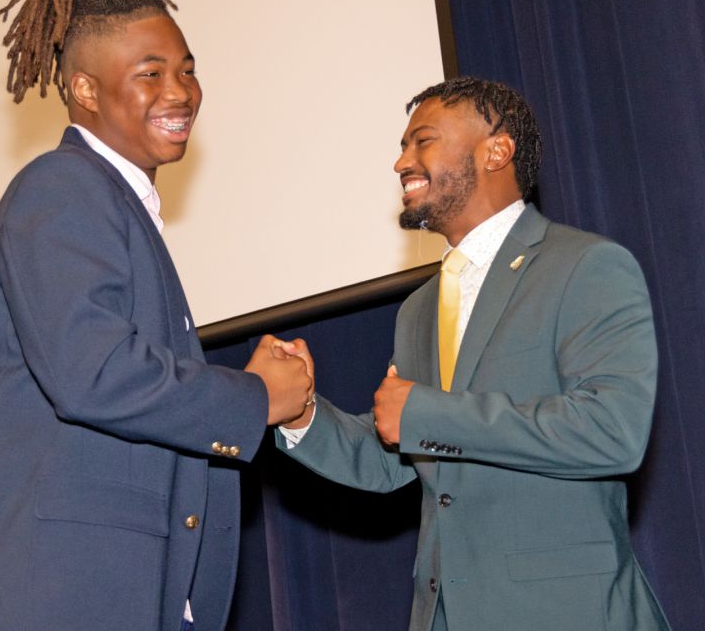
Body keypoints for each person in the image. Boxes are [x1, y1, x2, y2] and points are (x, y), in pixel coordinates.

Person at [0, 0, 314, 631]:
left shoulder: (115, 206)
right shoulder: (62, 187)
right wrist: (253, 399)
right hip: (48, 600)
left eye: (187, 68)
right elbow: (92, 371)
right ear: (85, 89)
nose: (182, 91)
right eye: (151, 73)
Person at [275, 77, 671, 630]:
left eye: (422, 141)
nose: (400, 163)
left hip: (565, 613)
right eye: (402, 146)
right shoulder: (418, 308)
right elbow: (394, 454)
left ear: (497, 151)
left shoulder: (585, 266)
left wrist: (426, 412)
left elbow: (612, 430)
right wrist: (301, 413)